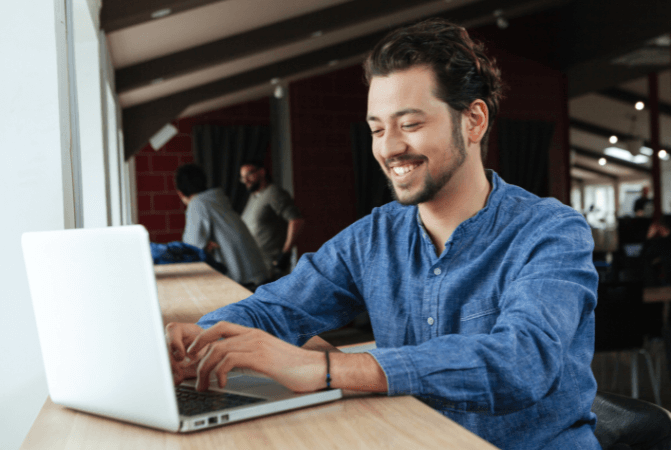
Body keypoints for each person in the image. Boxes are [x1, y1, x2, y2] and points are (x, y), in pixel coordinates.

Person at [167, 19, 599, 450]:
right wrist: (200, 342)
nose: (389, 148)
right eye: (377, 129)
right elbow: (276, 310)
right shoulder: (374, 237)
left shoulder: (550, 231)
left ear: (473, 120)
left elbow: (520, 364)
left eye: (409, 124)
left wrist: (326, 369)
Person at [175, 163, 269, 291]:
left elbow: (191, 251)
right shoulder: (217, 199)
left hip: (245, 285)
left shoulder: (198, 204)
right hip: (258, 276)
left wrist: (203, 249)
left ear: (180, 193)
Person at [239, 161, 305, 281]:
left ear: (262, 172)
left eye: (248, 175)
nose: (246, 181)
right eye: (243, 178)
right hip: (254, 266)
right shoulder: (253, 197)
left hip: (272, 268)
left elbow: (296, 220)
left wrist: (286, 253)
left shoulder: (274, 193)